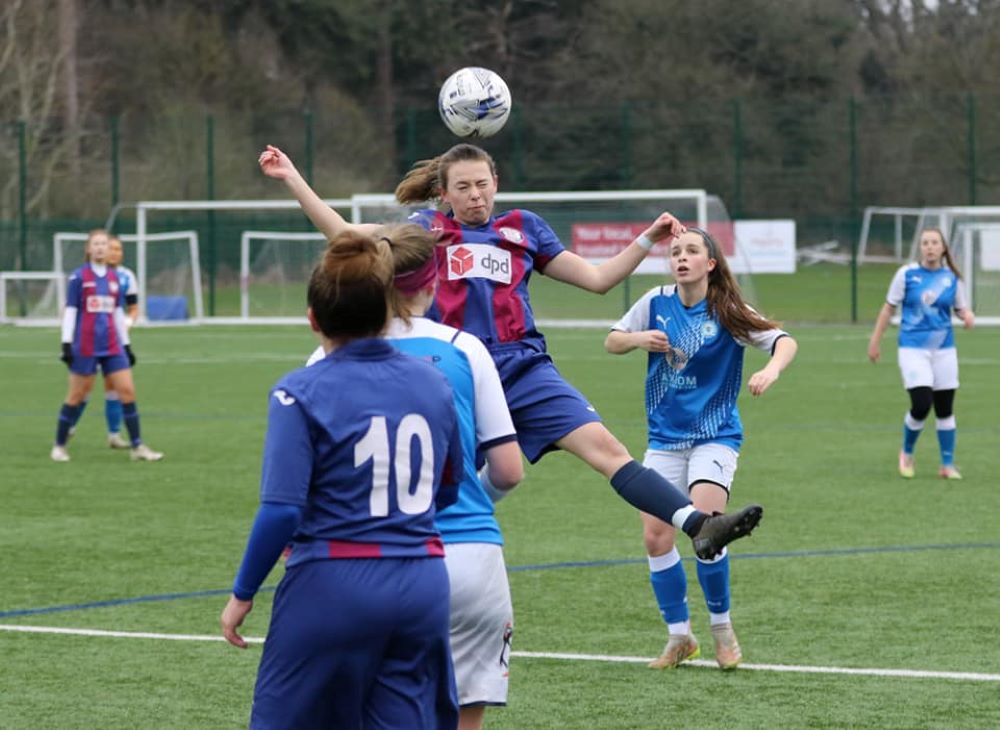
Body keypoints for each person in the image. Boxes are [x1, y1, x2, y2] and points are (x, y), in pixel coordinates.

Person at [258, 143, 763, 561]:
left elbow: (598, 280)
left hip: (524, 368)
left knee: (608, 450)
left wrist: (646, 239)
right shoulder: (424, 229)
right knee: (443, 479)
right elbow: (346, 235)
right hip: (450, 373)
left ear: (495, 182)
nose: (474, 195)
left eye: (482, 183)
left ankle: (699, 525)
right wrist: (292, 177)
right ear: (444, 193)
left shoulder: (524, 228)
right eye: (462, 187)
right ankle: (369, 539)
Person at [221, 232, 465, 729]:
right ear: (386, 314)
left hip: (333, 581)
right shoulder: (434, 383)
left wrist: (243, 591)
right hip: (423, 582)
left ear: (313, 319)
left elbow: (282, 509)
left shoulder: (299, 390)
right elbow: (448, 489)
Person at [305, 224, 523, 730]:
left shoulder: (329, 353)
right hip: (469, 555)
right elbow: (509, 470)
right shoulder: (464, 348)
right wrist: (473, 497)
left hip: (368, 559)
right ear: (434, 283)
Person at [605, 227, 797, 670]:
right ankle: (679, 638)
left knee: (708, 533)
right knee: (656, 538)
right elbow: (612, 339)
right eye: (675, 251)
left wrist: (771, 371)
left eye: (692, 251)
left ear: (710, 263)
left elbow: (784, 341)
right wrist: (638, 339)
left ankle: (721, 629)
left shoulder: (728, 310)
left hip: (715, 437)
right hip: (664, 440)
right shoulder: (655, 302)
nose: (681, 257)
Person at [868, 227, 974, 479]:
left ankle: (947, 465)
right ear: (920, 247)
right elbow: (888, 309)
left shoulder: (952, 278)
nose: (929, 247)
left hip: (944, 350)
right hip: (913, 348)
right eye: (925, 242)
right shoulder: (906, 275)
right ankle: (906, 452)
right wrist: (875, 341)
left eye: (934, 242)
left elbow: (961, 308)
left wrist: (967, 315)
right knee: (922, 403)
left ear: (943, 248)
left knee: (945, 408)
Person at [50, 229, 163, 462]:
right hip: (86, 345)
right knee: (76, 395)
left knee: (127, 392)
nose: (102, 248)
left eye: (105, 244)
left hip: (112, 345)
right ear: (89, 249)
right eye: (97, 244)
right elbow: (71, 311)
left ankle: (137, 447)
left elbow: (117, 313)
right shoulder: (79, 277)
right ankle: (59, 446)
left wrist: (127, 345)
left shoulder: (114, 278)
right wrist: (66, 343)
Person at [68, 234, 139, 448]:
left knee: (116, 386)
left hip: (114, 340)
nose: (115, 253)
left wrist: (126, 323)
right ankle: (69, 426)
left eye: (119, 249)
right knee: (84, 388)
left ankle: (114, 435)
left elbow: (133, 308)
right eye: (112, 248)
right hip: (89, 339)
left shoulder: (126, 276)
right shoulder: (86, 275)